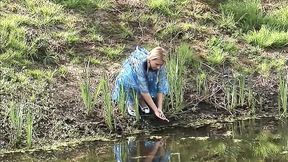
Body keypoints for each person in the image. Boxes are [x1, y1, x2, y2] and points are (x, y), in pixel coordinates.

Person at [112, 46, 169, 121]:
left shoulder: (160, 66)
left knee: (150, 81)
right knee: (132, 83)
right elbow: (144, 90)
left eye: (160, 65)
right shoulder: (140, 64)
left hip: (145, 76)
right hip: (132, 76)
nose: (159, 67)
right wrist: (155, 110)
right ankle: (132, 101)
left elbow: (161, 86)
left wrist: (159, 108)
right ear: (150, 59)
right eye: (157, 64)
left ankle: (141, 99)